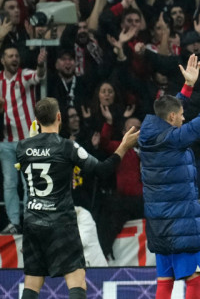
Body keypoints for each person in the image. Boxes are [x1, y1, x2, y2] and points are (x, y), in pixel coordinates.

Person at [17, 97, 139, 299]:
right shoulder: (67, 147)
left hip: (33, 222)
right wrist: (124, 146)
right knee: (76, 281)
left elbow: (33, 159)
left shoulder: (22, 148)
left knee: (32, 284)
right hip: (61, 222)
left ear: (36, 121)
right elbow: (102, 170)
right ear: (59, 117)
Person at [140, 53, 200, 299]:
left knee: (165, 280)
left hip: (159, 225)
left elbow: (167, 108)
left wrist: (186, 86)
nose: (184, 117)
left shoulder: (148, 132)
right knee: (195, 278)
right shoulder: (174, 139)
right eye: (181, 115)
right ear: (173, 118)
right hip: (181, 224)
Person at [1, 45, 46, 233]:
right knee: (10, 183)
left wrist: (41, 65)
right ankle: (14, 222)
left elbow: (39, 76)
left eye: (17, 55)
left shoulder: (24, 75)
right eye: (10, 56)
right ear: (3, 60)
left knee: (29, 183)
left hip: (27, 140)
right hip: (5, 140)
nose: (14, 58)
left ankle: (29, 220)